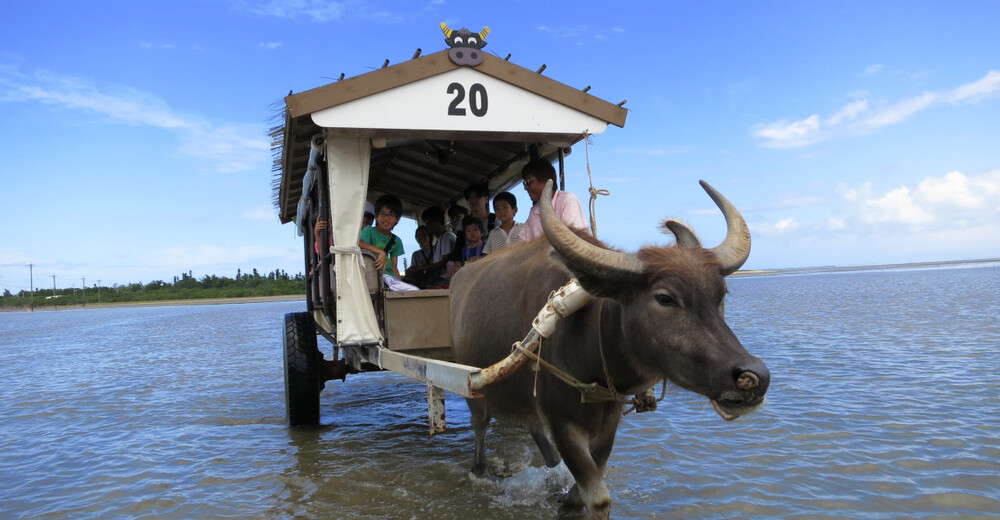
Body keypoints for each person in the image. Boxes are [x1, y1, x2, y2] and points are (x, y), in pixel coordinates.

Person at [517, 159, 587, 241]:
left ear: (546, 180)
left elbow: (573, 240)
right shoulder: (534, 211)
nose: (525, 188)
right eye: (524, 183)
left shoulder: (567, 199)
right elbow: (526, 244)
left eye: (528, 182)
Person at [404, 206, 455, 288]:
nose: (427, 226)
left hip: (445, 280)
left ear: (437, 221)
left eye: (428, 223)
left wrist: (419, 268)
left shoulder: (447, 236)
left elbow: (444, 262)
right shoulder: (440, 240)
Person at [359, 194, 406, 280]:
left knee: (410, 288)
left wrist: (401, 284)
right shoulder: (369, 230)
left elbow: (394, 268)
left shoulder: (397, 241)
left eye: (391, 215)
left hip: (389, 277)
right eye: (383, 214)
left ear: (397, 219)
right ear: (376, 216)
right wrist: (381, 252)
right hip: (371, 274)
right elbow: (359, 243)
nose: (386, 218)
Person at [482, 191, 522, 255]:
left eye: (505, 207)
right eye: (497, 208)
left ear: (514, 210)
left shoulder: (524, 228)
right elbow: (488, 256)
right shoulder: (493, 234)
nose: (501, 211)